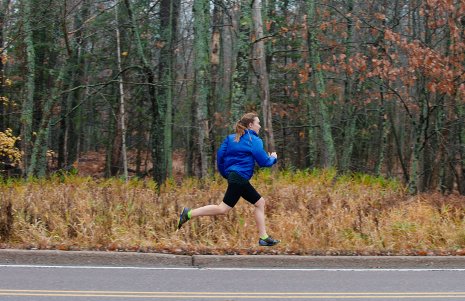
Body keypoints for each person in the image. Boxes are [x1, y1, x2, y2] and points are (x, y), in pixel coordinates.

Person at [177, 112, 280, 246]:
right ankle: (263, 238)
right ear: (250, 125)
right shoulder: (253, 140)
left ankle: (189, 213)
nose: (260, 126)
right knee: (242, 206)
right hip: (240, 178)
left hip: (234, 177)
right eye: (258, 123)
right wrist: (273, 157)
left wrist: (226, 174)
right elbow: (264, 162)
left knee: (233, 207)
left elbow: (220, 157)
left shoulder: (231, 139)